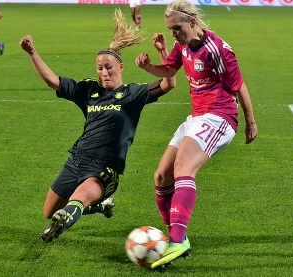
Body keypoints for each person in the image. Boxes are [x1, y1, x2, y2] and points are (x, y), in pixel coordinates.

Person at [20, 9, 176, 243]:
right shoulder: (89, 91)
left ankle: (63, 223)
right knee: (48, 212)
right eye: (100, 68)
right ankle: (99, 207)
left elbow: (169, 83)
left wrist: (163, 52)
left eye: (109, 67)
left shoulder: (133, 94)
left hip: (104, 169)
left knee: (79, 199)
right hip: (77, 160)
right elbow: (54, 81)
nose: (104, 72)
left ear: (121, 67)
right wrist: (32, 52)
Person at [135, 0, 258, 269]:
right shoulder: (182, 45)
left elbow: (239, 85)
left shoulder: (218, 50)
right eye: (170, 30)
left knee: (183, 167)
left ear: (192, 21)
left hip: (220, 117)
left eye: (177, 28)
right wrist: (147, 66)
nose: (174, 34)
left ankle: (177, 241)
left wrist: (250, 121)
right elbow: (169, 71)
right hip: (197, 117)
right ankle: (178, 239)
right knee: (161, 175)